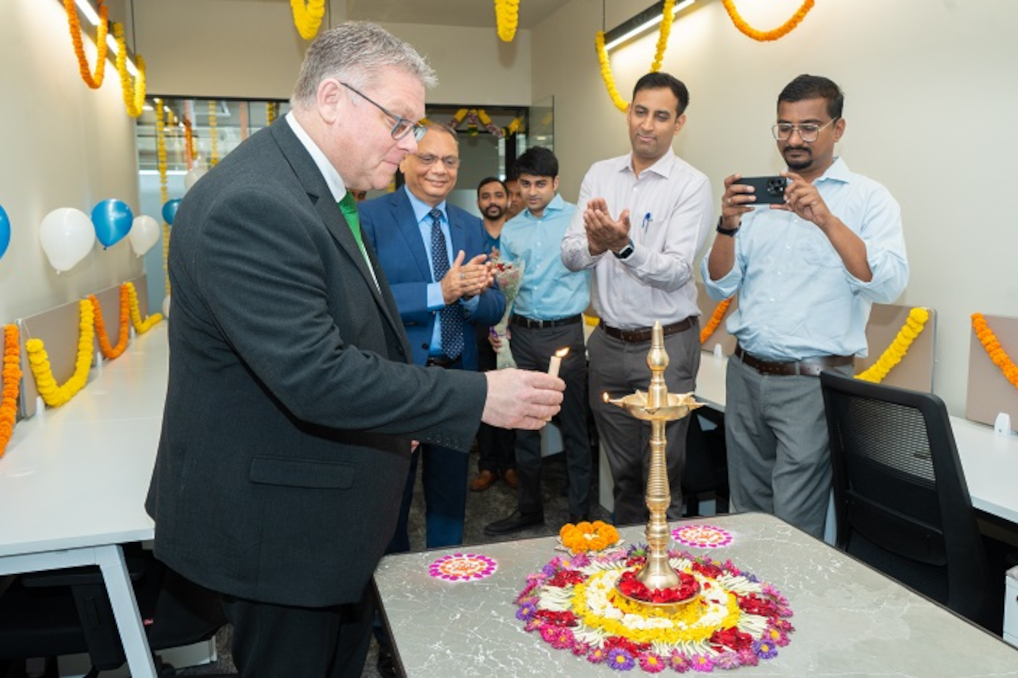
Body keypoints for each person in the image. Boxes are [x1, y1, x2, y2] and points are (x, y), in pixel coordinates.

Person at [145, 22, 563, 678]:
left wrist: (405, 415)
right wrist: (478, 395)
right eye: (400, 124)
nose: (411, 146)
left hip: (324, 518)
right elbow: (315, 373)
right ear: (334, 99)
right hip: (280, 531)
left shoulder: (323, 191)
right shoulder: (256, 202)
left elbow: (358, 328)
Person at [702, 74, 908, 539]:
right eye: (784, 127)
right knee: (745, 516)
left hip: (812, 385)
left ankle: (790, 609)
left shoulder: (867, 198)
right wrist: (728, 224)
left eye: (809, 127)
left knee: (793, 525)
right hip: (746, 375)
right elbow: (717, 285)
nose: (794, 139)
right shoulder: (756, 197)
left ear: (838, 129)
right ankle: (750, 605)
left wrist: (825, 219)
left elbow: (888, 284)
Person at [562, 72, 712, 525]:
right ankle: (630, 574)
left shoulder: (691, 184)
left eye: (661, 116)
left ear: (679, 124)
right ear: (629, 112)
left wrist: (622, 246)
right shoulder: (600, 174)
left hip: (666, 347)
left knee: (662, 473)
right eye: (640, 111)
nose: (647, 125)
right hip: (607, 346)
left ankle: (669, 577)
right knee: (624, 474)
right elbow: (570, 255)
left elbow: (675, 271)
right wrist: (595, 243)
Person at [360, 125, 505, 549]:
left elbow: (495, 306)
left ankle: (447, 582)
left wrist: (475, 296)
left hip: (457, 379)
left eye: (449, 161)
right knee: (390, 498)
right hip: (397, 380)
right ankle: (390, 599)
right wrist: (441, 292)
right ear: (404, 159)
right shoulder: (369, 218)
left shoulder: (471, 226)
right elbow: (365, 300)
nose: (439, 170)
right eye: (427, 158)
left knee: (449, 494)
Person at [486, 147, 592, 535]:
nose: (532, 192)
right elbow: (509, 285)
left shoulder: (577, 218)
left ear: (555, 183)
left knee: (575, 428)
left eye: (540, 184)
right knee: (524, 426)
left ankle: (581, 517)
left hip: (565, 332)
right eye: (525, 184)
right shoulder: (512, 228)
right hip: (524, 334)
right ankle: (529, 510)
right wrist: (502, 326)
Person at [471, 176, 519, 492]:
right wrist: (491, 327)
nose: (492, 200)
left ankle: (511, 464)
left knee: (514, 395)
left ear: (508, 200)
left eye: (498, 195)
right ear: (479, 202)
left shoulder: (517, 235)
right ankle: (487, 466)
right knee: (485, 396)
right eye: (485, 195)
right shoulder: (470, 234)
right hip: (479, 331)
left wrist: (509, 325)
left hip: (515, 332)